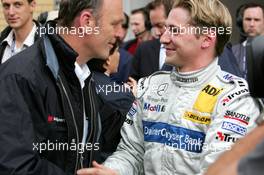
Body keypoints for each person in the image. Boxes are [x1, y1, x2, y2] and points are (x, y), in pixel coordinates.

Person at [76, 0, 260, 175]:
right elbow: (131, 152)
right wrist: (112, 170)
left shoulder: (234, 97)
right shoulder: (150, 86)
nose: (163, 39)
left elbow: (216, 169)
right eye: (165, 29)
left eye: (174, 30)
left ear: (206, 39)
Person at [0, 0, 123, 174]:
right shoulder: (19, 76)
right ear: (87, 22)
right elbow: (17, 165)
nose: (120, 33)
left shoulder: (83, 75)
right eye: (115, 24)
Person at [88, 43, 135, 163]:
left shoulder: (80, 83)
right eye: (117, 51)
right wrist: (136, 98)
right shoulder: (121, 96)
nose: (119, 55)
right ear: (108, 59)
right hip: (107, 161)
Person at [130, 0, 174, 81]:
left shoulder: (186, 50)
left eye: (160, 25)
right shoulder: (143, 49)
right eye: (153, 26)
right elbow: (132, 82)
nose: (156, 32)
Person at [232, 3, 264, 79]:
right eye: (248, 19)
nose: (252, 24)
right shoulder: (232, 52)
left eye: (257, 20)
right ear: (241, 22)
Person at [111, 12, 133, 84]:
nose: (120, 32)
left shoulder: (127, 57)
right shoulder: (96, 51)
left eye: (124, 26)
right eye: (115, 25)